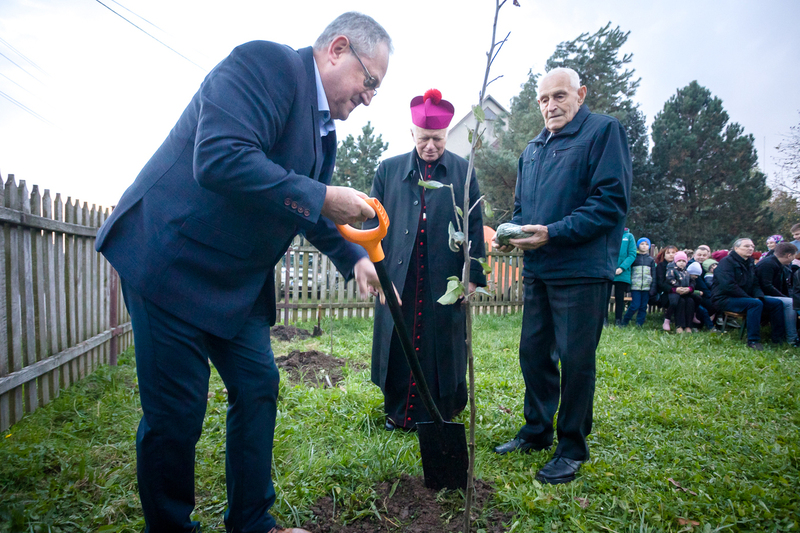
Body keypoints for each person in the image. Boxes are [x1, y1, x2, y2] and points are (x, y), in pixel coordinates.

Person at [95, 13, 392, 533]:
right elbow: (219, 157)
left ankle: (253, 522)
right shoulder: (267, 65)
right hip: (172, 261)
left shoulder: (326, 137)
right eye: (369, 81)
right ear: (337, 48)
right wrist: (322, 195)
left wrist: (355, 258)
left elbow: (310, 210)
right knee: (176, 415)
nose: (369, 97)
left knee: (258, 387)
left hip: (233, 283)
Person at [491, 67, 632, 485]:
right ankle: (536, 430)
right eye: (543, 99)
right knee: (533, 354)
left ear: (581, 94)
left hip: (582, 270)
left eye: (559, 96)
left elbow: (610, 203)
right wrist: (512, 235)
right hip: (538, 269)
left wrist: (553, 233)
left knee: (575, 360)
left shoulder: (603, 132)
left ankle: (571, 446)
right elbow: (523, 211)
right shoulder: (532, 149)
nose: (550, 106)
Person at [365, 89, 486, 431]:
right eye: (424, 139)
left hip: (444, 277)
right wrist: (375, 273)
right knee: (398, 343)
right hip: (398, 276)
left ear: (447, 134)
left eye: (437, 139)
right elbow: (369, 220)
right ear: (412, 134)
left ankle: (440, 411)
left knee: (442, 346)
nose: (430, 146)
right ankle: (398, 411)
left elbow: (474, 224)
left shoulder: (463, 172)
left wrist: (472, 274)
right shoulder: (388, 170)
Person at [712, 238, 786, 350]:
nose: (750, 248)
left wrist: (758, 296)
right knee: (755, 304)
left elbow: (755, 283)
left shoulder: (750, 262)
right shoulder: (726, 262)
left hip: (746, 297)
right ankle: (753, 340)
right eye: (746, 246)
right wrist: (750, 298)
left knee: (776, 303)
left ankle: (778, 339)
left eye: (752, 246)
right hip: (725, 298)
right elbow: (728, 286)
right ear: (736, 248)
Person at [755, 241, 799, 346]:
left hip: (771, 295)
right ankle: (792, 338)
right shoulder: (768, 264)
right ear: (789, 255)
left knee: (792, 300)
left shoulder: (777, 264)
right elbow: (766, 286)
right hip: (761, 295)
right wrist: (784, 297)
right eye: (794, 256)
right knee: (790, 303)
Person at [622, 237, 656, 327]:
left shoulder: (651, 260)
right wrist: (629, 285)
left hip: (646, 287)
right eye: (642, 244)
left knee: (643, 306)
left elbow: (654, 275)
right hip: (635, 287)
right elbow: (629, 273)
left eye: (646, 244)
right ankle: (625, 321)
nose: (644, 246)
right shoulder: (634, 259)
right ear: (637, 246)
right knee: (634, 305)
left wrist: (653, 287)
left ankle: (639, 324)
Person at [607, 227, 636, 326]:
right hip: (608, 272)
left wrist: (622, 268)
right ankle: (604, 319)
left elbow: (632, 254)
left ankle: (618, 320)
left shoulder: (629, 236)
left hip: (622, 273)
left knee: (619, 298)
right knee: (605, 297)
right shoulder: (609, 234)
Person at [666, 252, 696, 333]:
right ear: (675, 261)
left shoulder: (687, 272)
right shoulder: (672, 270)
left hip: (686, 292)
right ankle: (679, 326)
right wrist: (678, 287)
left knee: (690, 302)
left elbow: (692, 282)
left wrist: (689, 288)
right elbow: (669, 280)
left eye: (684, 261)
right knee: (681, 302)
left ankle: (688, 326)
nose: (681, 263)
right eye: (679, 261)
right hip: (675, 293)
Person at [655, 245, 678, 330]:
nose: (671, 255)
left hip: (679, 290)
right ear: (664, 255)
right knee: (673, 300)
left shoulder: (679, 265)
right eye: (668, 253)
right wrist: (672, 289)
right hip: (666, 292)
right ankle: (667, 319)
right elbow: (660, 283)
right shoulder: (661, 266)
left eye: (673, 253)